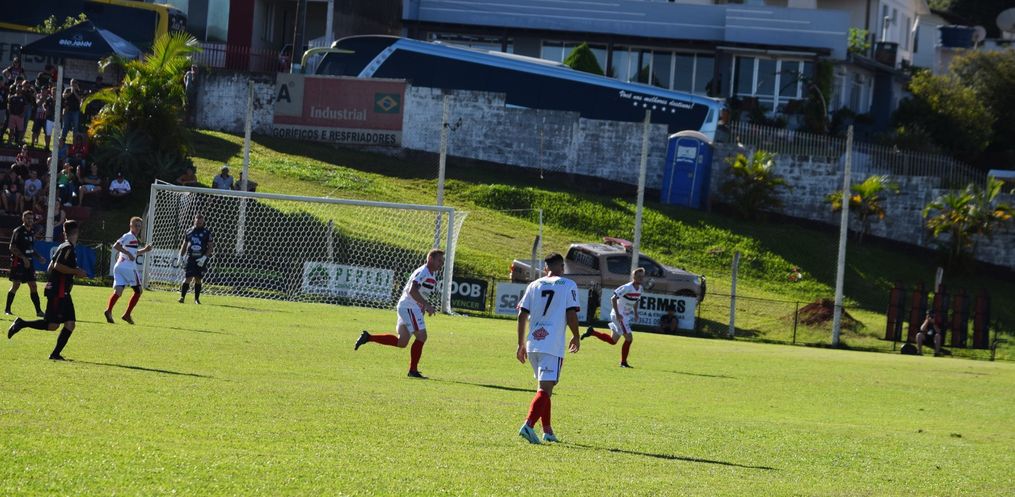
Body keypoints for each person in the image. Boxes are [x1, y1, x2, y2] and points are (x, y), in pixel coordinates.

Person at [515, 252, 581, 444]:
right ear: (562, 267)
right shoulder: (568, 284)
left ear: (545, 268)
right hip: (552, 344)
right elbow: (571, 313)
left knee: (544, 387)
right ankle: (528, 425)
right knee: (546, 388)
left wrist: (520, 343)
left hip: (533, 343)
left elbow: (522, 315)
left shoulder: (534, 284)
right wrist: (576, 335)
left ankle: (547, 430)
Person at [354, 249, 444, 378]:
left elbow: (420, 292)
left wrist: (422, 307)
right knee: (422, 336)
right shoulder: (423, 272)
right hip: (409, 306)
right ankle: (413, 371)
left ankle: (368, 337)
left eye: (442, 261)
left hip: (409, 307)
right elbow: (412, 291)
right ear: (430, 259)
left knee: (402, 342)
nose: (441, 264)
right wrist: (426, 305)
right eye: (439, 260)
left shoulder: (431, 273)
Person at [8, 220, 88, 361]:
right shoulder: (68, 248)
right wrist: (75, 271)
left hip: (62, 291)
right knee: (52, 325)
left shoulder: (63, 246)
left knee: (70, 324)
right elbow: (56, 266)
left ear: (64, 232)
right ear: (76, 232)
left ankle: (55, 354)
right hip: (58, 291)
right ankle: (21, 323)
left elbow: (50, 267)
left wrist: (69, 273)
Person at [581, 267, 643, 368]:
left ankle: (592, 332)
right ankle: (623, 363)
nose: (640, 278)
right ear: (633, 276)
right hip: (619, 316)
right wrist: (617, 314)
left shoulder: (640, 288)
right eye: (638, 276)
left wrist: (636, 313)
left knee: (613, 341)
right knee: (629, 338)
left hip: (624, 316)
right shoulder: (627, 287)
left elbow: (636, 301)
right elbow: (613, 298)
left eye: (642, 276)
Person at [105, 217, 153, 324]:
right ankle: (127, 314)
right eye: (135, 225)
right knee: (139, 291)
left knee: (118, 292)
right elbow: (116, 246)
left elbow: (133, 253)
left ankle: (108, 311)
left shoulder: (132, 238)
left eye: (139, 226)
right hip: (128, 268)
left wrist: (145, 250)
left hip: (119, 267)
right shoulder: (128, 236)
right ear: (130, 225)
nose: (138, 228)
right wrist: (128, 253)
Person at [5, 210, 46, 317]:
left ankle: (39, 311)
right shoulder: (18, 231)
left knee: (33, 286)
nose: (30, 220)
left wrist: (38, 257)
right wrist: (23, 258)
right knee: (16, 285)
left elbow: (30, 248)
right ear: (23, 219)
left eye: (31, 219)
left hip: (29, 262)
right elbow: (12, 247)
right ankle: (7, 309)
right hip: (18, 262)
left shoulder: (32, 232)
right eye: (28, 218)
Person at [178, 214, 213, 304]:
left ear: (203, 222)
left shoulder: (207, 232)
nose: (198, 224)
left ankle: (196, 299)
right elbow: (184, 244)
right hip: (191, 258)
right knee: (188, 278)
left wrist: (204, 257)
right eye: (197, 222)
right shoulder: (189, 231)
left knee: (198, 279)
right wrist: (180, 256)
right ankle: (182, 297)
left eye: (200, 222)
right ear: (194, 221)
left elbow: (210, 247)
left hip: (201, 259)